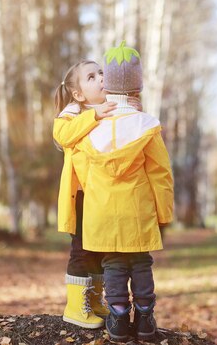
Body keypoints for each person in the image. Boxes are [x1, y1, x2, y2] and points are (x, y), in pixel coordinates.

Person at [72, 42, 174, 341]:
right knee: (141, 262)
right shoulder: (146, 125)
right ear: (137, 86)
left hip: (103, 211)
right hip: (137, 209)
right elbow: (160, 174)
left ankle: (117, 318)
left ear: (110, 86)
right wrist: (164, 213)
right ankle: (144, 317)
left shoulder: (92, 128)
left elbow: (84, 172)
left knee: (113, 263)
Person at [53, 59, 141, 328]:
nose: (101, 77)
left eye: (101, 72)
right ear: (79, 93)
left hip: (102, 195)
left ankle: (93, 302)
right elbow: (62, 134)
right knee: (80, 249)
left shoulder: (111, 104)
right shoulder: (74, 110)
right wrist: (94, 115)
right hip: (80, 195)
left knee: (98, 248)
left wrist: (133, 110)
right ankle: (74, 308)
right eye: (91, 77)